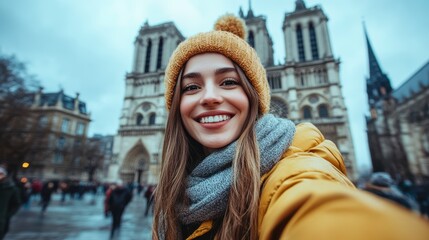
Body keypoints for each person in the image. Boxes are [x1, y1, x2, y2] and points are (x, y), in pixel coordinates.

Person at [152, 14, 429, 239]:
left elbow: (310, 203)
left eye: (229, 82)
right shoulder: (179, 192)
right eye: (191, 86)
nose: (210, 97)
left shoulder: (294, 169)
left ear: (254, 96)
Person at [0, 166, 21, 240]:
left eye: (1, 174)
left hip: (2, 220)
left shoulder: (11, 188)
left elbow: (16, 203)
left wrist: (7, 215)